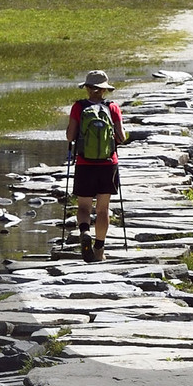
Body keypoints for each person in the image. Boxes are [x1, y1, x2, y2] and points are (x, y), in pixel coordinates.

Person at [66, 69, 124, 261]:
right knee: (102, 209)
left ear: (88, 88)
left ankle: (84, 231)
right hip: (108, 164)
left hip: (85, 163)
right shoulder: (112, 107)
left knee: (83, 207)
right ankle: (99, 249)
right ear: (104, 90)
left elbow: (70, 136)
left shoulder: (79, 107)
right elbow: (121, 138)